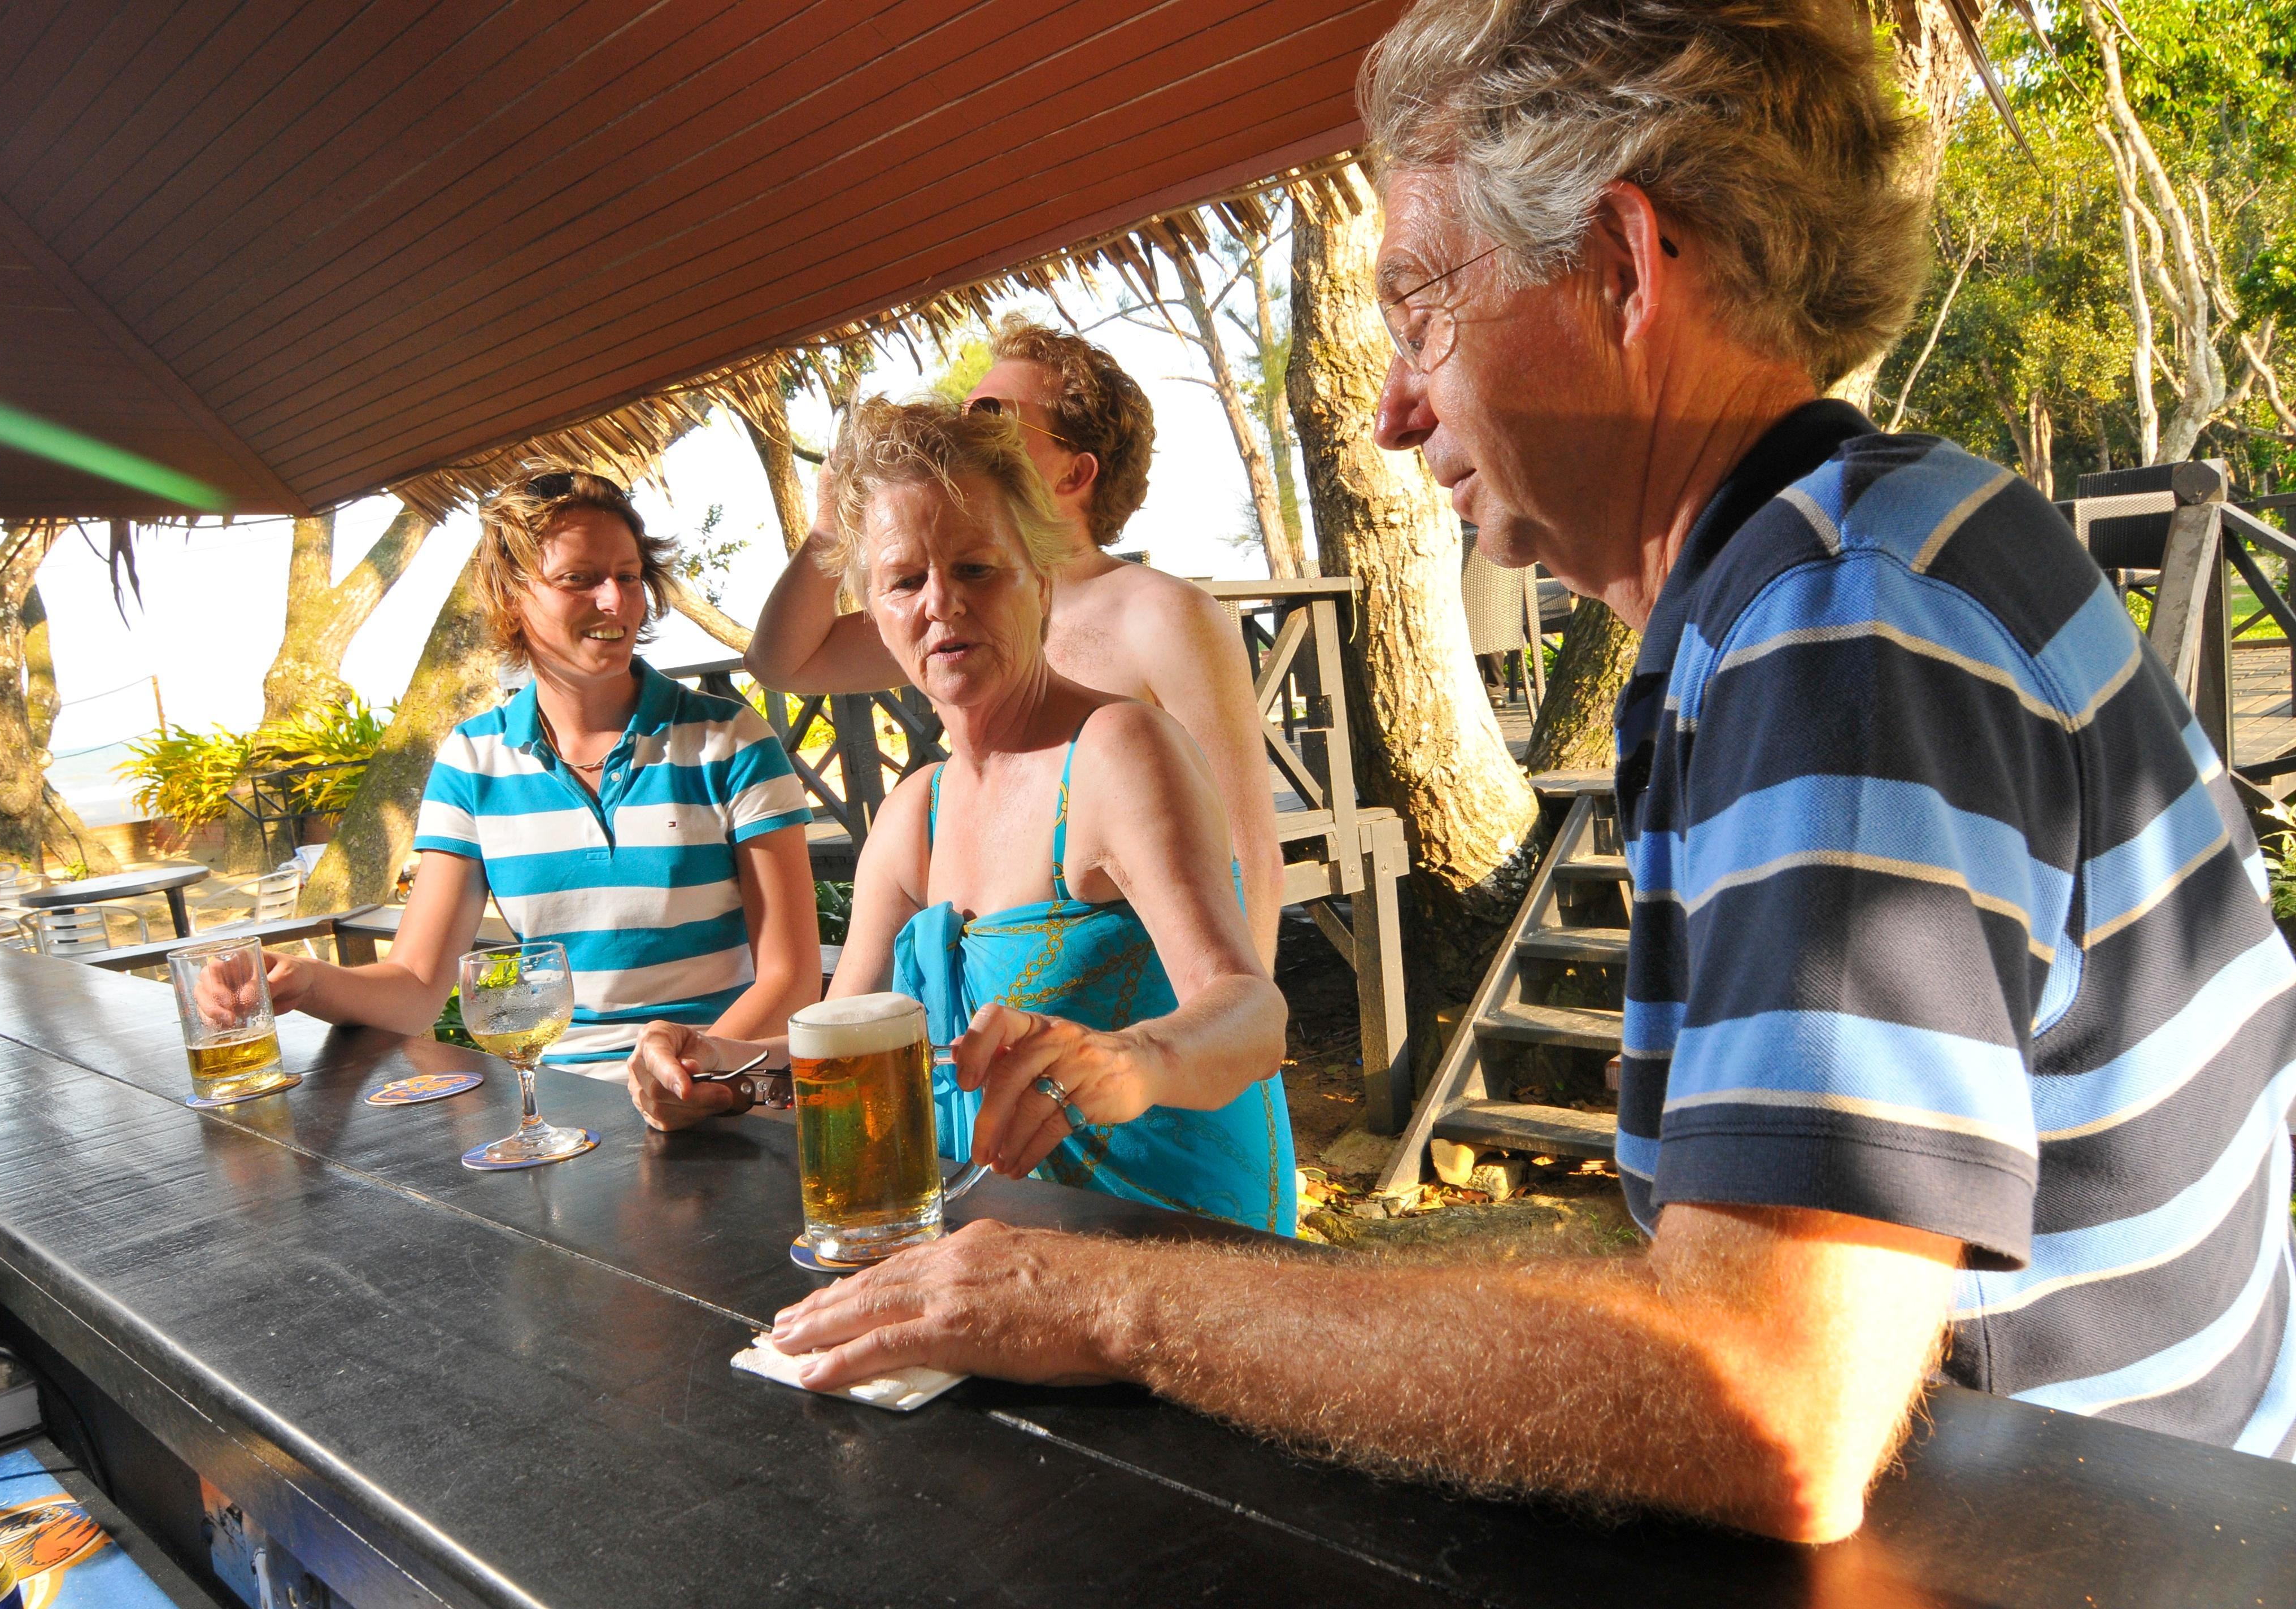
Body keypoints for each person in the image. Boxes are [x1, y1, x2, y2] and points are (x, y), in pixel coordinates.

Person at [753, 0, 2296, 1544]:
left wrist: (1106, 1302)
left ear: (1623, 267)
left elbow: (1766, 1395)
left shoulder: (1842, 625)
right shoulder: (1866, 556)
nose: (1392, 407)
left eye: (1420, 309)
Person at [631, 400, 1297, 1234]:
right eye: (905, 581)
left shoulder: (1117, 750)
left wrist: (1136, 1058)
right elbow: (846, 1053)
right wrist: (716, 1067)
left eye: (977, 569)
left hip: (1171, 1233)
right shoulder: (915, 817)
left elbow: (1252, 1014)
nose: (940, 603)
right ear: (875, 615)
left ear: (1042, 586)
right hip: (997, 1239)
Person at [746, 318, 1288, 969]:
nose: (969, 426)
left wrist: (1244, 1028)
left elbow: (1247, 844)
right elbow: (781, 662)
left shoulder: (1161, 612)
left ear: (1076, 471)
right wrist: (833, 532)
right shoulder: (944, 609)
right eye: (967, 410)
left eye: (994, 415)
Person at [247, 465, 822, 1073]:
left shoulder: (729, 741)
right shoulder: (473, 761)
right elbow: (417, 985)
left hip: (725, 1091)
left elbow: (791, 978)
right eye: (579, 579)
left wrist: (688, 1067)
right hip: (565, 1113)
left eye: (628, 577)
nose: (615, 600)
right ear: (509, 596)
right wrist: (305, 982)